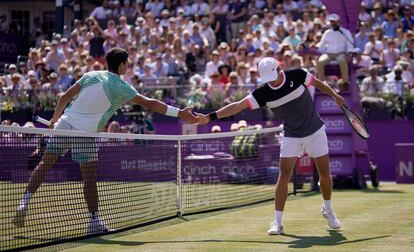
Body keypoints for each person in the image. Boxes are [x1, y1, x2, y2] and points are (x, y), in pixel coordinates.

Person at [13, 48, 198, 234]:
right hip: (86, 134)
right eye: (128, 62)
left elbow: (65, 97)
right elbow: (150, 103)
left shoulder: (90, 75)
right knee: (89, 179)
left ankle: (24, 201)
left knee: (45, 163)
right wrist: (179, 113)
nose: (129, 65)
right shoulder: (122, 87)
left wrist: (54, 120)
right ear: (122, 64)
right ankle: (93, 221)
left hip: (64, 124)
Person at [196, 57, 345, 235]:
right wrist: (210, 117)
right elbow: (238, 106)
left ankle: (328, 210)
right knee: (283, 175)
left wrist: (334, 95)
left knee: (325, 174)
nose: (271, 80)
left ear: (279, 69)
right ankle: (278, 222)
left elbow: (318, 83)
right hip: (291, 135)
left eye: (273, 76)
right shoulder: (262, 93)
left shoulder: (297, 75)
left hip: (315, 130)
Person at [316, 14, 354, 90]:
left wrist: (350, 53)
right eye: (332, 22)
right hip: (329, 53)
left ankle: (345, 82)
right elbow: (322, 45)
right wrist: (316, 48)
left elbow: (350, 44)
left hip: (340, 53)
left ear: (338, 22)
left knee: (341, 61)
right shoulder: (327, 32)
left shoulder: (345, 32)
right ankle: (322, 84)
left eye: (334, 22)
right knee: (320, 61)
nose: (333, 23)